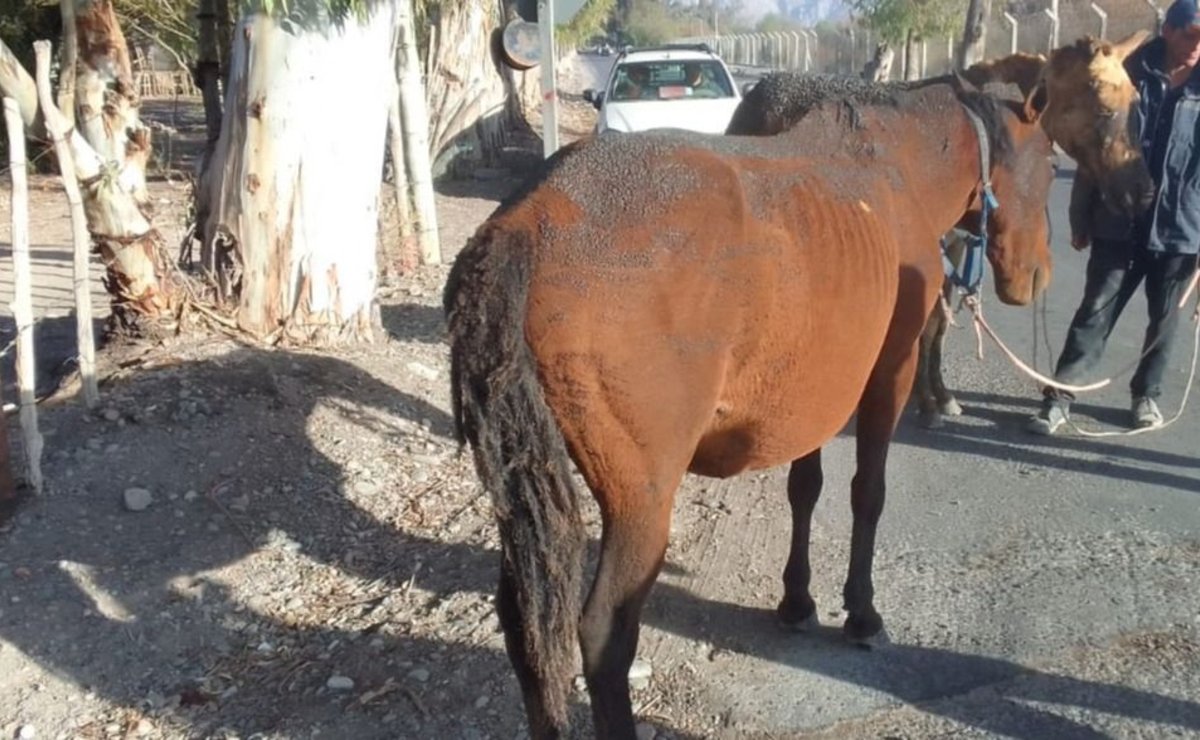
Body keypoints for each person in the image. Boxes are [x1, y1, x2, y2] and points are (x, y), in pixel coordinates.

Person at [1028, 0, 1200, 435]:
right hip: (1118, 218)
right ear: (1169, 31)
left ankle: (1146, 396)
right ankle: (1059, 398)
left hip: (1181, 229)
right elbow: (1094, 145)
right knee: (1095, 310)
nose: (1197, 47)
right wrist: (1080, 215)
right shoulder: (1122, 74)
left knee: (1165, 322)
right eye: (1192, 35)